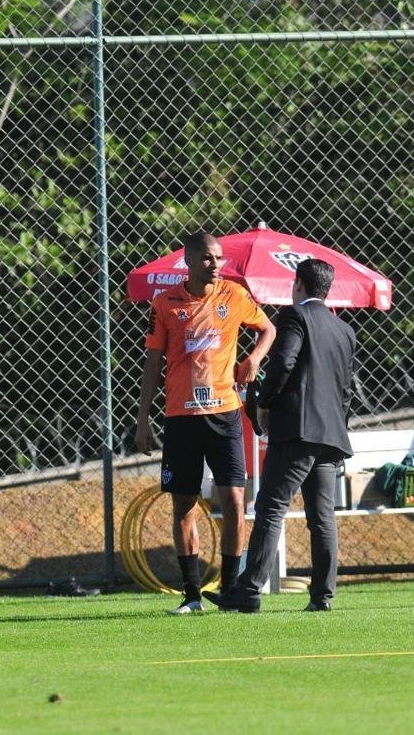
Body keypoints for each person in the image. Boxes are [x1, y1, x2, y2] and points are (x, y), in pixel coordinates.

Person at [203, 258, 357, 613]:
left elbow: (284, 362)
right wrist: (337, 423)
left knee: (272, 507)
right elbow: (346, 389)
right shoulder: (344, 331)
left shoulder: (294, 316)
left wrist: (266, 404)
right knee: (322, 516)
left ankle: (249, 591)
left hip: (297, 430)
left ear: (299, 284)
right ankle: (322, 596)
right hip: (331, 434)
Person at [135, 231, 277, 614]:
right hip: (181, 417)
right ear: (189, 261)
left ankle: (230, 590)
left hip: (225, 413)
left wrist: (254, 360)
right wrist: (143, 417)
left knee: (233, 498)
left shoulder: (234, 295)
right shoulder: (165, 303)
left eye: (218, 258)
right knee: (184, 505)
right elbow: (152, 362)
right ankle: (192, 595)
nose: (215, 265)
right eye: (207, 259)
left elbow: (268, 329)